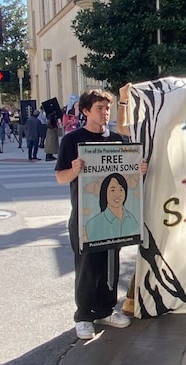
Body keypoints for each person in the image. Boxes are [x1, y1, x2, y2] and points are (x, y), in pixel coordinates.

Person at [55, 85, 143, 339]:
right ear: (85, 111)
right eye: (99, 108)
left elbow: (126, 175)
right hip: (85, 217)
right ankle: (83, 316)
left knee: (110, 266)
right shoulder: (72, 140)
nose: (105, 113)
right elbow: (60, 177)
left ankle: (106, 309)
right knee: (86, 267)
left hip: (114, 218)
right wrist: (74, 170)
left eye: (108, 108)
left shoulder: (117, 140)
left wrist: (139, 170)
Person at [85, 172, 140, 242]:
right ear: (104, 192)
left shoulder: (132, 218)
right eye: (113, 190)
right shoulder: (93, 224)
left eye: (121, 189)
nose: (118, 194)